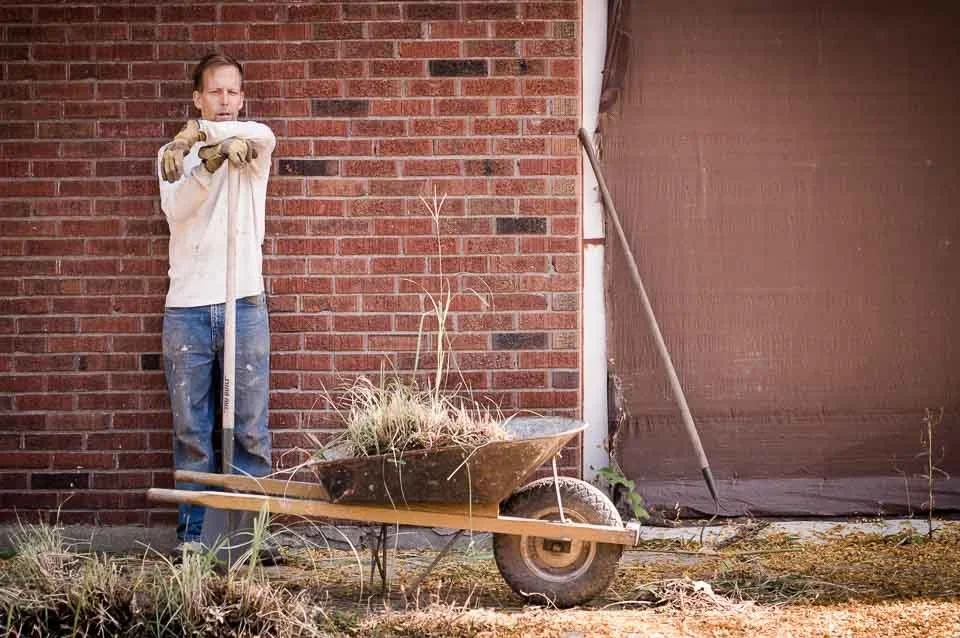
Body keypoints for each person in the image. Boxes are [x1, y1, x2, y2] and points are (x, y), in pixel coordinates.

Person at [157, 53, 276, 556]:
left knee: (249, 427)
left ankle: (249, 536)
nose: (225, 100)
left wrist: (224, 143)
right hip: (187, 306)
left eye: (233, 92)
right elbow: (178, 209)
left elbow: (265, 135)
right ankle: (195, 536)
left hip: (244, 301)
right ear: (198, 98)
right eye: (215, 92)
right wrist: (198, 155)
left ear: (242, 97)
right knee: (193, 431)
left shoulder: (253, 148)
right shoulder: (172, 155)